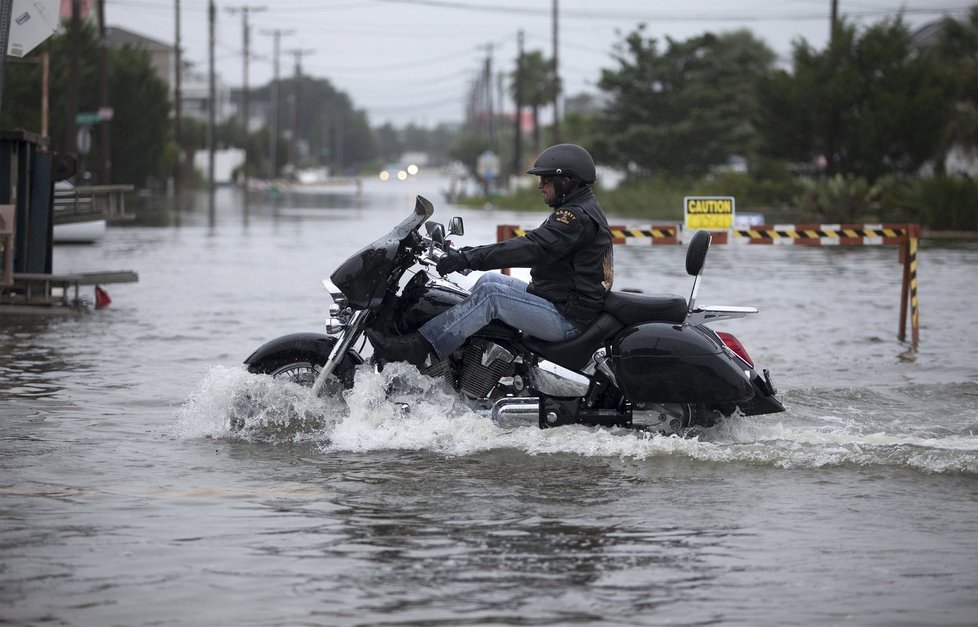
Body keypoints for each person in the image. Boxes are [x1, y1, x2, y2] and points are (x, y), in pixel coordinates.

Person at [367, 143, 614, 367]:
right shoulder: (577, 209)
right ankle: (469, 362)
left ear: (567, 180)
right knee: (488, 282)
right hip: (557, 300)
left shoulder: (575, 218)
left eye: (546, 180)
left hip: (567, 319)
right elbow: (530, 245)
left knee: (491, 295)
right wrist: (463, 254)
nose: (540, 185)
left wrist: (468, 258)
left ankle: (419, 349)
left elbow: (530, 248)